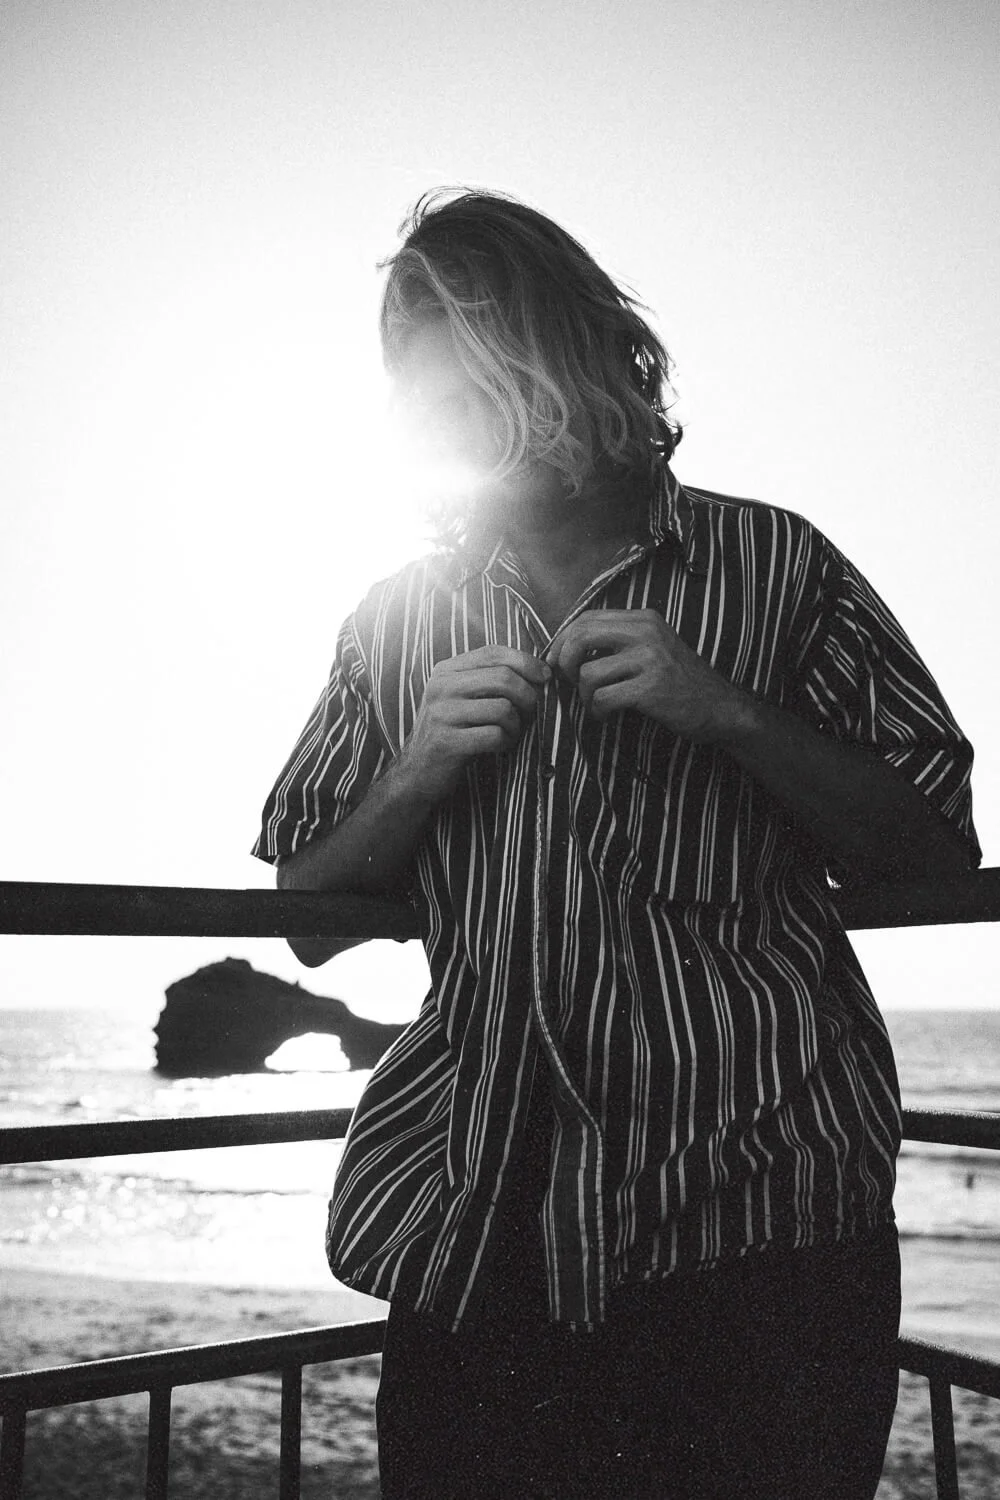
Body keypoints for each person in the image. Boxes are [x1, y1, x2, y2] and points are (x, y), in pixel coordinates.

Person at [252, 189, 981, 1499]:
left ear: (578, 363)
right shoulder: (391, 624)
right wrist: (417, 768)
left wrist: (729, 715)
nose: (459, 424)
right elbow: (304, 911)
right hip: (483, 1237)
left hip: (762, 1233)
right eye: (431, 398)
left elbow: (931, 848)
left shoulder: (780, 567)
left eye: (485, 386)